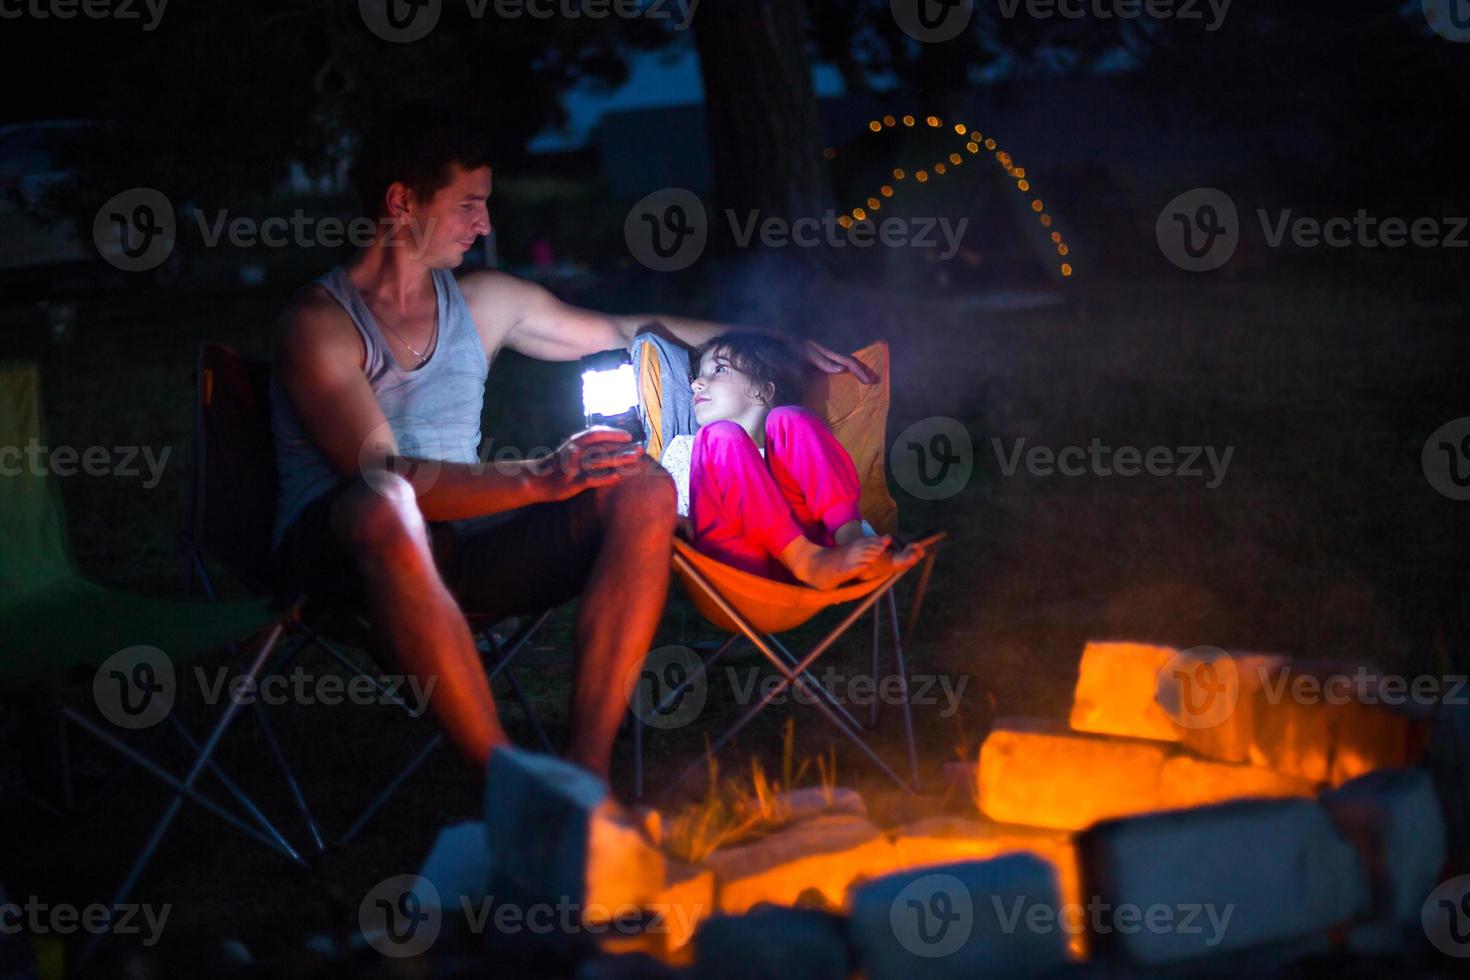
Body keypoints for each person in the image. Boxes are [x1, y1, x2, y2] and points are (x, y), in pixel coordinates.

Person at [269, 104, 877, 779]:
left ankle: (585, 776)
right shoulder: (319, 323)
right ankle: (504, 780)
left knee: (641, 484)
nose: (486, 224)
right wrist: (538, 477)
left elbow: (625, 328)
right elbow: (388, 473)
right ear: (401, 201)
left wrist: (765, 344)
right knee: (384, 503)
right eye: (469, 204)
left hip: (463, 549)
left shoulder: (483, 301)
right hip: (344, 559)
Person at [655, 333, 920, 590]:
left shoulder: (792, 444)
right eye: (699, 374)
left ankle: (850, 542)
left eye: (720, 370)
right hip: (737, 570)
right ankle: (805, 558)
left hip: (822, 556)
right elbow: (671, 522)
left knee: (790, 417)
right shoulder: (687, 450)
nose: (697, 383)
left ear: (762, 390)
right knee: (720, 435)